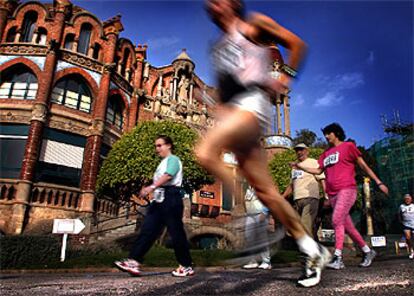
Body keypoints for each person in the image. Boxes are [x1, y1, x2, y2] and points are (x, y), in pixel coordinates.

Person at [196, 0, 331, 288]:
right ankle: (313, 250)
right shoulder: (218, 48)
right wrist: (214, 105)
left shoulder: (253, 25)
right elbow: (225, 94)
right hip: (236, 112)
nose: (212, 5)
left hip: (254, 106)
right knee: (268, 194)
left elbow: (297, 45)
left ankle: (240, 220)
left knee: (205, 151)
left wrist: (286, 78)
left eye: (218, 1)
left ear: (232, 4)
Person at [290, 123, 389, 270]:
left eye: (328, 133)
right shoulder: (325, 154)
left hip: (347, 190)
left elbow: (363, 166)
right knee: (348, 227)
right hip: (333, 193)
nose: (326, 136)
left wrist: (378, 182)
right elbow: (317, 171)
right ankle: (368, 251)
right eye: (325, 134)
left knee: (336, 220)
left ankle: (338, 257)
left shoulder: (348, 146)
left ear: (336, 133)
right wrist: (300, 166)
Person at [114, 135, 194, 277]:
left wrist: (150, 187)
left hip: (171, 198)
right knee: (148, 229)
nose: (157, 149)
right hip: (159, 200)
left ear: (168, 145)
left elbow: (168, 176)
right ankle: (134, 261)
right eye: (156, 146)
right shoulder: (162, 163)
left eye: (160, 145)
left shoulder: (173, 160)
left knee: (176, 233)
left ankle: (186, 266)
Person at [282, 143, 326, 239]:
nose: (299, 152)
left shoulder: (313, 162)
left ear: (307, 150)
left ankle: (308, 251)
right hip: (297, 200)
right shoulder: (294, 167)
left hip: (310, 198)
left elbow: (322, 178)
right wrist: (282, 197)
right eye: (297, 150)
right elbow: (292, 185)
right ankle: (312, 248)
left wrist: (326, 196)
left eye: (301, 149)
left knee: (306, 225)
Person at [242, 185, 272, 270]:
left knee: (262, 239)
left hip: (260, 214)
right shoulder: (248, 189)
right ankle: (252, 261)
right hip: (250, 215)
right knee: (249, 237)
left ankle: (266, 262)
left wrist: (265, 212)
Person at [399, 194, 414, 259]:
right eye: (406, 199)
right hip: (406, 224)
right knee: (408, 238)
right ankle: (412, 251)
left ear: (411, 199)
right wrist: (401, 221)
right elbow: (399, 214)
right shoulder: (401, 206)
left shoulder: (413, 206)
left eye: (408, 199)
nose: (407, 200)